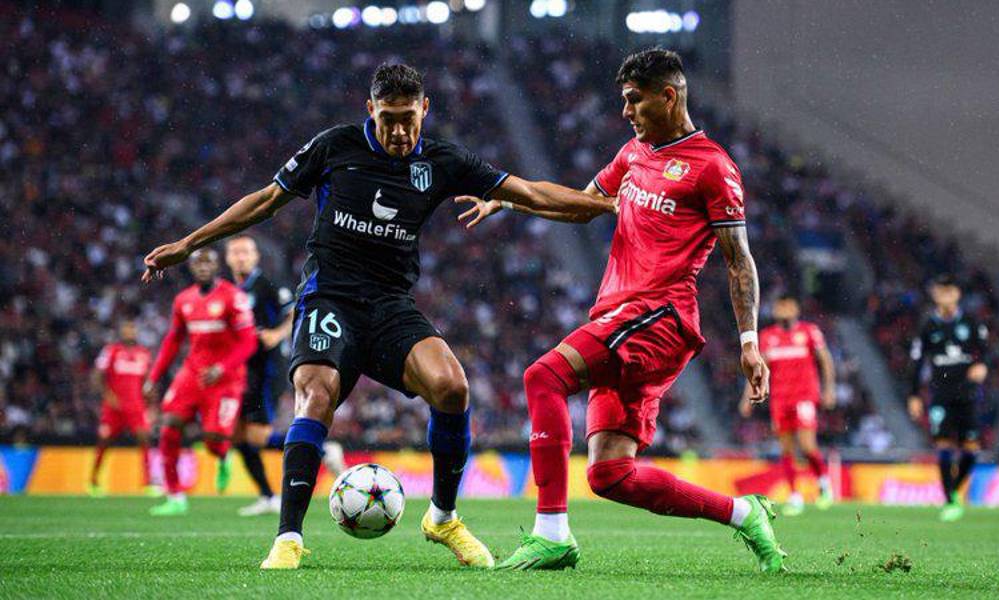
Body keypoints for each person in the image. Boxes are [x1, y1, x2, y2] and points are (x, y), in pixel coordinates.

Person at [141, 63, 612, 569]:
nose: (399, 131)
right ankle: (288, 539)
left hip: (390, 305)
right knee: (316, 393)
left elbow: (532, 192)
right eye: (388, 117)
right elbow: (266, 201)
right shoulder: (335, 146)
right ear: (370, 109)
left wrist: (605, 205)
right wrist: (189, 244)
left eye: (408, 117)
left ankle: (443, 517)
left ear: (424, 109)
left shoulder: (441, 159)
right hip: (330, 299)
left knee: (452, 387)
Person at [457, 47, 786, 573]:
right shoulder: (633, 154)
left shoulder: (713, 168)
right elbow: (583, 206)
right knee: (610, 475)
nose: (626, 112)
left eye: (634, 101)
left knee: (543, 377)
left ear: (669, 96)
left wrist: (750, 343)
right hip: (622, 318)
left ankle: (551, 534)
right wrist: (510, 200)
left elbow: (738, 261)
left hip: (659, 318)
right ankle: (743, 512)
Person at [224, 235, 346, 518]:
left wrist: (276, 334)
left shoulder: (267, 285)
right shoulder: (229, 290)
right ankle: (267, 496)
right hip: (239, 371)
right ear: (228, 258)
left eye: (246, 252)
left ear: (255, 257)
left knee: (257, 435)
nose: (241, 257)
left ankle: (323, 450)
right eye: (235, 252)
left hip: (266, 369)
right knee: (237, 435)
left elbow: (293, 312)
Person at [144, 249, 258, 515]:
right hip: (192, 374)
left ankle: (222, 455)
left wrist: (222, 367)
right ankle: (174, 496)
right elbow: (173, 341)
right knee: (169, 428)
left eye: (208, 262)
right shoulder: (184, 300)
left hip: (226, 379)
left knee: (212, 441)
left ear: (217, 266)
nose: (203, 267)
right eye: (198, 263)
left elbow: (248, 341)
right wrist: (154, 376)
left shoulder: (234, 297)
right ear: (191, 268)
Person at [739, 296, 836, 516]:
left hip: (805, 397)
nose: (782, 309)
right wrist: (747, 398)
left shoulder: (809, 331)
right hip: (780, 400)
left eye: (786, 305)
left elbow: (826, 360)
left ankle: (823, 483)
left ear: (795, 308)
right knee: (786, 449)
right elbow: (757, 370)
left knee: (807, 445)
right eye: (778, 306)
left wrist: (829, 389)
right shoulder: (767, 337)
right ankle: (794, 495)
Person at [907, 274, 989, 522]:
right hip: (940, 394)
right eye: (940, 291)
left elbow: (985, 354)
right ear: (935, 295)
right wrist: (913, 395)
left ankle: (952, 488)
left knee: (971, 450)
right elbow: (916, 362)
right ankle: (950, 499)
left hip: (967, 394)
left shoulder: (972, 323)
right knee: (943, 446)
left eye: (949, 290)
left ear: (957, 294)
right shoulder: (927, 326)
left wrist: (982, 365)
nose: (945, 295)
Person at [89, 319, 154, 497]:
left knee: (144, 439)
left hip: (136, 406)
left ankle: (148, 483)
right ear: (121, 332)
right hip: (114, 406)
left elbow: (149, 382)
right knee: (104, 441)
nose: (129, 331)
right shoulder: (111, 351)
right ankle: (93, 480)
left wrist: (151, 406)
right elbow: (97, 376)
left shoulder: (144, 354)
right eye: (126, 328)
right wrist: (108, 396)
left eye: (132, 328)